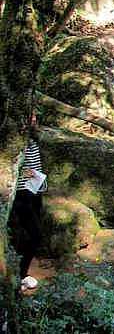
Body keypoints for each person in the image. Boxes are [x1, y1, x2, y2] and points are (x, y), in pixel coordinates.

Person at [10, 123, 47, 293]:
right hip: (21, 194)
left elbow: (36, 167)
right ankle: (19, 275)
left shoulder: (33, 141)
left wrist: (40, 182)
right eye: (31, 117)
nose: (34, 120)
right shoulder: (15, 140)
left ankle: (21, 274)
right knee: (35, 235)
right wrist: (21, 171)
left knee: (31, 235)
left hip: (35, 191)